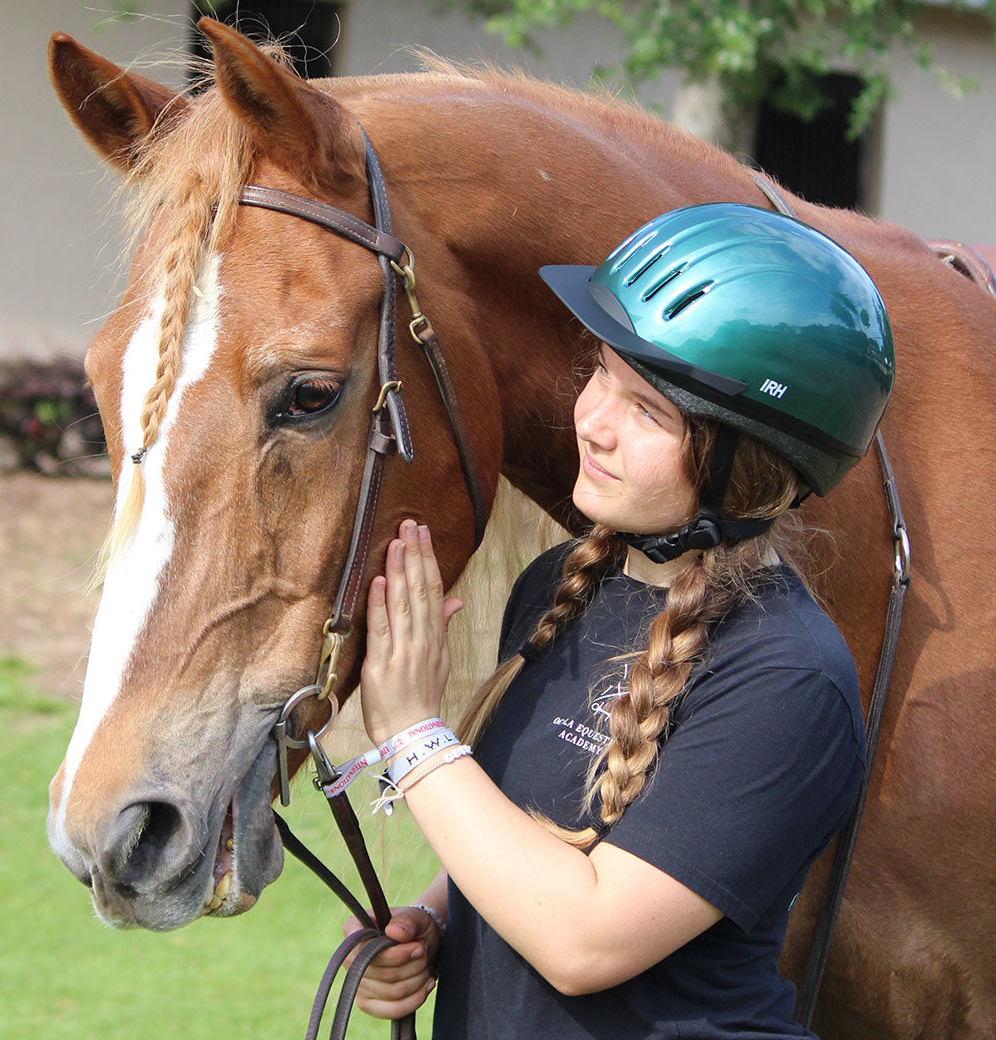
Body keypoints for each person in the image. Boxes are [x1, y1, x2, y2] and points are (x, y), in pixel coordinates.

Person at [345, 203, 895, 1039]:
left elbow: (585, 940)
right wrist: (437, 920)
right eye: (601, 373)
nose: (592, 422)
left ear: (746, 458)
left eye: (648, 411)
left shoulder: (786, 679)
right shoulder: (557, 589)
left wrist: (413, 735)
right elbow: (543, 834)